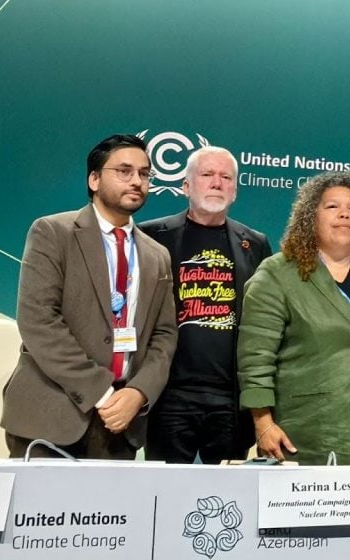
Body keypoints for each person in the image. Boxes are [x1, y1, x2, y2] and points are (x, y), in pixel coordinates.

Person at [1, 134, 177, 459]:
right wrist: (100, 392)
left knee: (111, 512)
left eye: (144, 173)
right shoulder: (53, 233)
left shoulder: (157, 255)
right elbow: (39, 321)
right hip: (51, 416)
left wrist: (139, 392)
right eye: (124, 171)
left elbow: (165, 336)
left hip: (120, 426)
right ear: (94, 179)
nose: (136, 181)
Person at [238, 171, 350, 465]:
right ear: (310, 217)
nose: (344, 215)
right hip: (307, 433)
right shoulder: (277, 273)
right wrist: (263, 423)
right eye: (332, 207)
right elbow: (255, 357)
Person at [139, 146, 271, 464]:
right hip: (169, 396)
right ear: (186, 185)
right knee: (165, 497)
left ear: (235, 190)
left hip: (230, 399)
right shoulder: (150, 237)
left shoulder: (255, 244)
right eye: (207, 174)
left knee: (228, 503)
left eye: (226, 177)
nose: (217, 183)